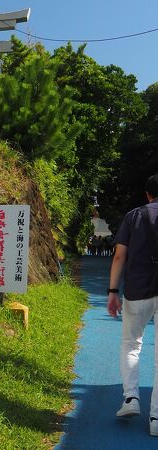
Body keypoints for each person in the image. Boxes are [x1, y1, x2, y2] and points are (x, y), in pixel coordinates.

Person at [108, 173, 158, 436]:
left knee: (131, 344)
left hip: (137, 289)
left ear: (147, 194)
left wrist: (113, 291)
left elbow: (119, 256)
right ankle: (157, 418)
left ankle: (131, 399)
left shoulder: (133, 216)